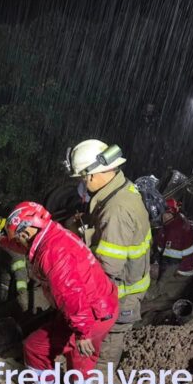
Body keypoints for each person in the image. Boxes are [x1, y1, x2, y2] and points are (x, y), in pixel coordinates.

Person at [6, 202, 118, 384]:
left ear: (28, 229)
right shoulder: (53, 233)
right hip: (102, 307)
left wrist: (82, 332)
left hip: (88, 314)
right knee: (80, 357)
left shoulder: (52, 254)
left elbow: (71, 295)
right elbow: (28, 246)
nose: (20, 240)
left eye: (20, 236)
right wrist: (2, 240)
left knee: (34, 347)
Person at [65, 140, 151, 369]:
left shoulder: (116, 210)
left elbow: (107, 267)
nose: (83, 183)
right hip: (124, 287)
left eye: (83, 177)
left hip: (120, 297)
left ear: (92, 175)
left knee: (104, 353)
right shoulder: (119, 190)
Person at [146, 198, 193, 311]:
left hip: (182, 270)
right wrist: (155, 261)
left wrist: (158, 288)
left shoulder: (175, 231)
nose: (164, 216)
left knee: (153, 292)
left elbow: (172, 264)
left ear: (173, 213)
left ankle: (163, 294)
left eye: (167, 214)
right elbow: (160, 247)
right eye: (163, 213)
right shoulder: (174, 221)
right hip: (187, 261)